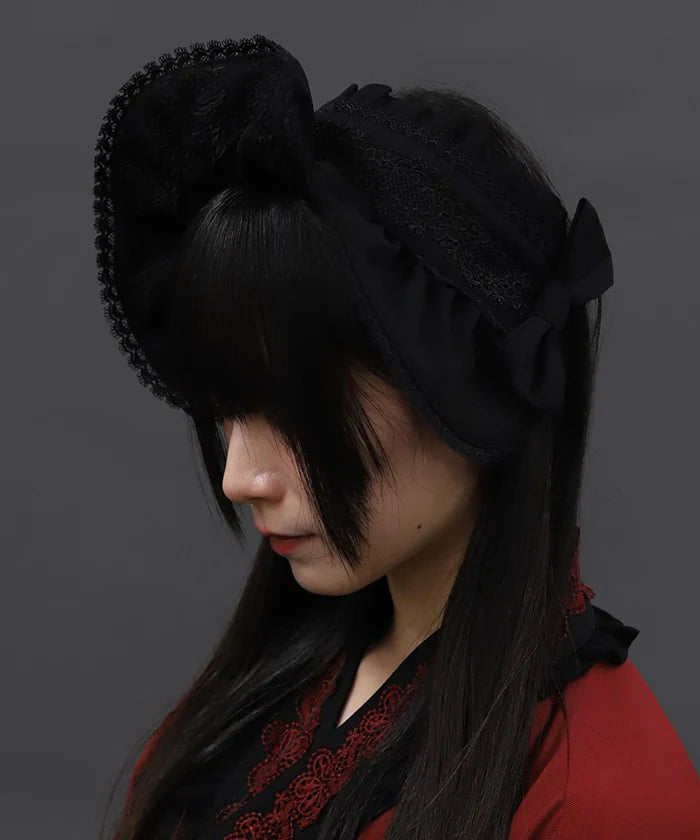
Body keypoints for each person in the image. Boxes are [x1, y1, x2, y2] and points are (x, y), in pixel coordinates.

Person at [92, 34, 700, 840]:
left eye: (297, 409)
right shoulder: (274, 682)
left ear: (464, 386)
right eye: (228, 406)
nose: (239, 477)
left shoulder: (600, 799)